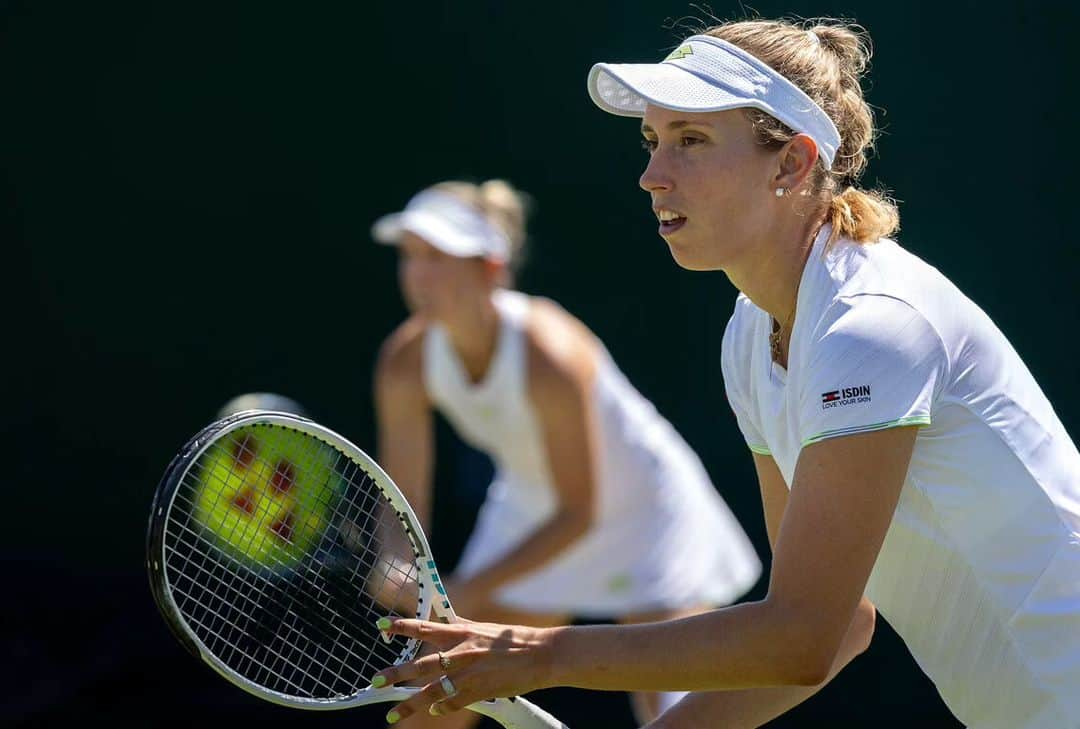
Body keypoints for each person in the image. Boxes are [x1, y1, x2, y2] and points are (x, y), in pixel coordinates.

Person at [369, 18, 1080, 729]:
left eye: (692, 141)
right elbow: (837, 628)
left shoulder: (871, 329)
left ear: (791, 165)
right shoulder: (750, 335)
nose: (652, 175)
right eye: (653, 141)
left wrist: (541, 652)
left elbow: (800, 637)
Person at [370, 177, 762, 726]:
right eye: (410, 256)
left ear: (490, 269)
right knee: (435, 698)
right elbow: (402, 499)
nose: (418, 275)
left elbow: (581, 511)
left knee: (674, 716)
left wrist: (462, 589)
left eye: (439, 257)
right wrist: (394, 564)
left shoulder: (548, 353)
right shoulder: (404, 361)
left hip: (644, 517)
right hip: (532, 511)